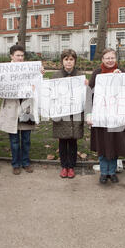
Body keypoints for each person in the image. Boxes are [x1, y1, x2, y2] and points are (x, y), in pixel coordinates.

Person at [0, 45, 43, 175]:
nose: (20, 58)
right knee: (14, 139)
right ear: (11, 56)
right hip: (12, 107)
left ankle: (26, 162)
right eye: (18, 55)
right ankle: (16, 164)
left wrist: (39, 74)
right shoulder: (4, 69)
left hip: (26, 107)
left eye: (22, 55)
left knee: (26, 139)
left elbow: (37, 85)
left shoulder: (29, 69)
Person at [88, 48, 125, 184]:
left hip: (117, 116)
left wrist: (119, 78)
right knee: (102, 144)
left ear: (116, 59)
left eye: (112, 57)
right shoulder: (97, 73)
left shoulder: (122, 72)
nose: (110, 60)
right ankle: (103, 171)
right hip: (101, 115)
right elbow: (89, 94)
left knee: (115, 143)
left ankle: (112, 171)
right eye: (107, 58)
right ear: (102, 59)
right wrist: (89, 114)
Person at [51, 49, 87, 179]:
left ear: (75, 61)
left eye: (71, 59)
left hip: (75, 114)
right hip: (61, 113)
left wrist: (86, 86)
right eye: (66, 59)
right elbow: (51, 95)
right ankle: (64, 166)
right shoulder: (56, 76)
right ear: (62, 61)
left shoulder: (80, 75)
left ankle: (71, 166)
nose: (69, 62)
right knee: (62, 140)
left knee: (73, 140)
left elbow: (85, 95)